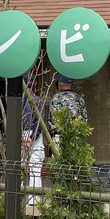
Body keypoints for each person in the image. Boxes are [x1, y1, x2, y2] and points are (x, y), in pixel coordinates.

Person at [22, 73, 46, 205]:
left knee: (17, 167)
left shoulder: (15, 101)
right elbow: (41, 123)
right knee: (35, 168)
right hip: (34, 135)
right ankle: (34, 200)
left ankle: (15, 196)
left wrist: (22, 137)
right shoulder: (38, 101)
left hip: (20, 134)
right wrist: (32, 138)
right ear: (34, 84)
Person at [47, 74, 88, 140]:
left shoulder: (56, 98)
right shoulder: (79, 98)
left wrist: (52, 135)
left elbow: (51, 119)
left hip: (60, 136)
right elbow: (85, 119)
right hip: (76, 136)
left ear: (61, 83)